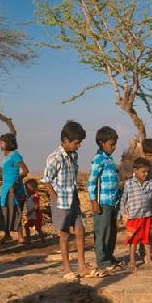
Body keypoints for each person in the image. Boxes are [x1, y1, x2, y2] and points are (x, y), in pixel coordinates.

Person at [42, 120, 101, 280]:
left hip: (73, 198)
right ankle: (67, 268)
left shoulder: (74, 155)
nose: (79, 145)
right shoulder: (54, 157)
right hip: (61, 201)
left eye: (80, 142)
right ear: (65, 141)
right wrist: (54, 197)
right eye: (76, 142)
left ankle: (82, 267)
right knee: (64, 234)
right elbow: (46, 179)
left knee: (80, 231)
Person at [88, 126, 121, 271]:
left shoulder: (110, 159)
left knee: (112, 231)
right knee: (102, 231)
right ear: (102, 143)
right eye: (111, 144)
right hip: (102, 202)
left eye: (115, 144)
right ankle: (102, 260)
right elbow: (92, 181)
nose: (113, 147)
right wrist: (93, 201)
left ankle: (109, 256)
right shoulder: (98, 159)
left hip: (112, 201)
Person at [0, 133, 28, 243]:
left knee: (16, 211)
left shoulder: (15, 155)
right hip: (5, 189)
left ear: (8, 143)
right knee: (4, 211)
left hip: (14, 189)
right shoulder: (6, 157)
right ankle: (7, 235)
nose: (0, 145)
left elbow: (25, 170)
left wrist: (16, 182)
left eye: (2, 143)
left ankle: (20, 236)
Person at [23, 179, 45, 243]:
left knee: (38, 229)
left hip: (36, 215)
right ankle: (28, 239)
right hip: (31, 216)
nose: (26, 189)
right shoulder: (28, 196)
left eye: (28, 188)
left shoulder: (35, 196)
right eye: (26, 188)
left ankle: (43, 239)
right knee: (26, 226)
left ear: (34, 188)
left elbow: (36, 206)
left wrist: (30, 211)